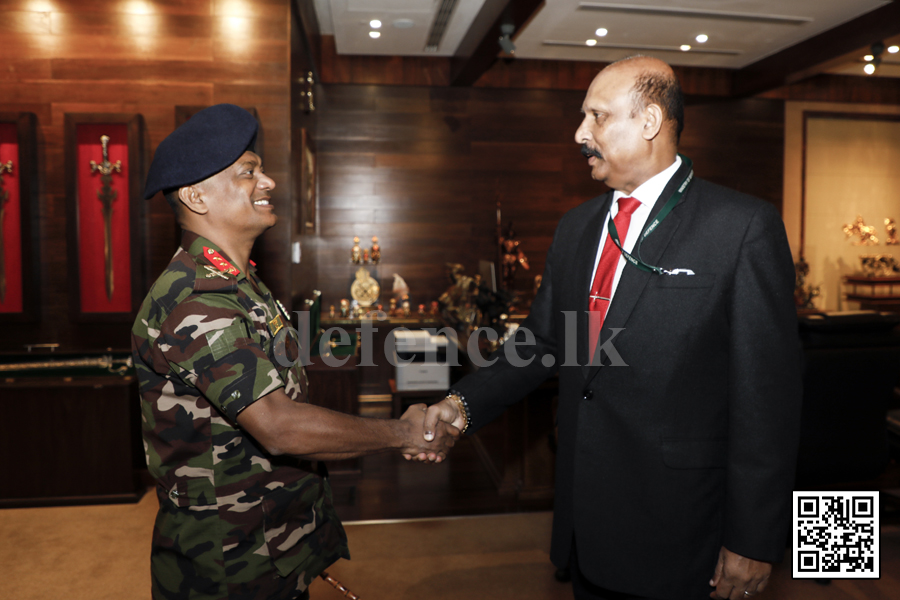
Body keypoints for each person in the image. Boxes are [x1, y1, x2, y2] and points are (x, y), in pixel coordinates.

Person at [422, 57, 802, 600]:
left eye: (597, 117)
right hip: (586, 524)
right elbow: (544, 343)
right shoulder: (577, 228)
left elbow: (768, 401)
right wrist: (461, 405)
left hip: (683, 527)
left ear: (649, 121)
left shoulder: (742, 227)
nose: (580, 133)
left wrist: (754, 539)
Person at [132, 104, 457, 600]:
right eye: (248, 172)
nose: (269, 182)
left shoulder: (240, 284)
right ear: (196, 196)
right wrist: (401, 431)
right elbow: (280, 426)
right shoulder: (194, 299)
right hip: (228, 563)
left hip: (270, 542)